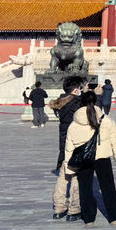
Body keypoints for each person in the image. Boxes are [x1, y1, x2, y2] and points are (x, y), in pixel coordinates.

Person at [64, 91, 116, 227]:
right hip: (102, 157)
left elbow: (69, 148)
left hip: (83, 159)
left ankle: (89, 219)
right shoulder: (106, 120)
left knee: (85, 188)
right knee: (108, 186)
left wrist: (68, 168)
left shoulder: (74, 124)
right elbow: (115, 141)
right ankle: (114, 216)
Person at [49, 76, 84, 221]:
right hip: (76, 144)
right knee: (76, 177)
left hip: (64, 145)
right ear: (76, 90)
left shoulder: (61, 102)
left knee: (63, 177)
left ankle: (59, 207)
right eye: (80, 88)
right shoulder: (76, 103)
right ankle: (74, 209)